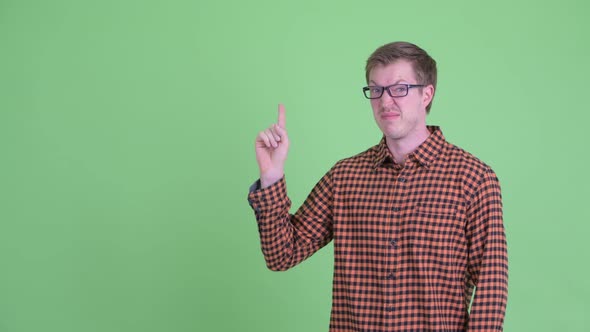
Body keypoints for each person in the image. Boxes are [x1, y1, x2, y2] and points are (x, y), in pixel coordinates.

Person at [247, 41, 508, 331]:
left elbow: (491, 286)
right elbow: (282, 254)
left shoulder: (473, 179)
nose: (385, 102)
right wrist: (271, 177)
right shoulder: (345, 177)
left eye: (399, 88)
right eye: (376, 90)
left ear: (427, 93)